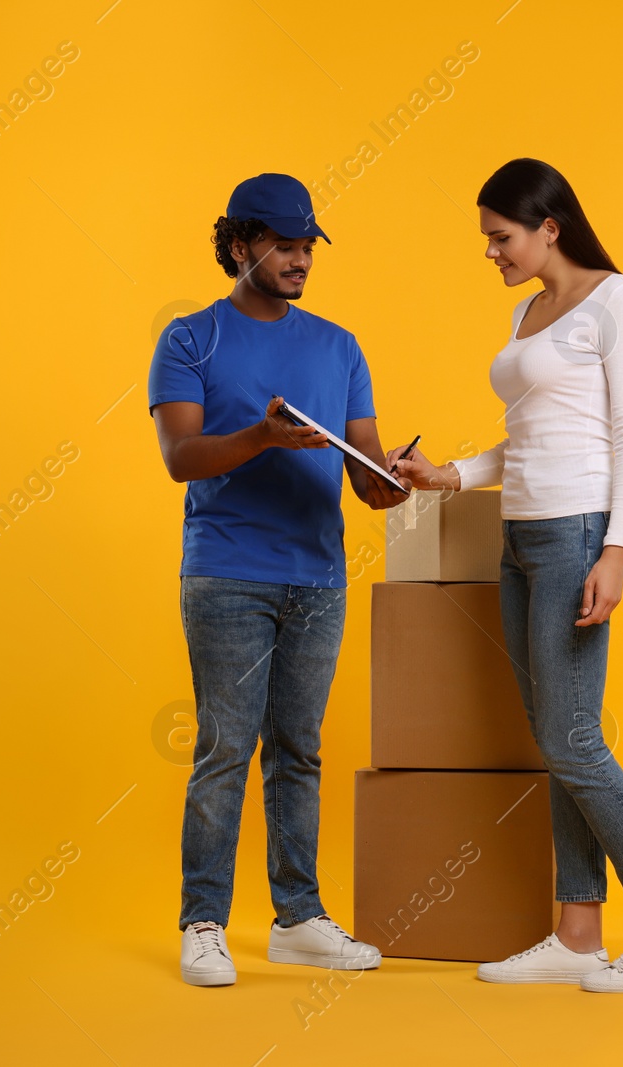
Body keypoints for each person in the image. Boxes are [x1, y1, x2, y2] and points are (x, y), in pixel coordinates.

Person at [388, 158, 623, 994]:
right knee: (554, 740)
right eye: (487, 239)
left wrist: (618, 549)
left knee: (572, 739)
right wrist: (448, 474)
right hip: (520, 538)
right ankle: (577, 932)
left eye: (501, 237)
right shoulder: (531, 312)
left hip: (575, 535)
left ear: (549, 227)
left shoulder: (617, 300)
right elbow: (523, 439)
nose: (491, 252)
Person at [149, 172, 409, 987]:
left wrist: (388, 480)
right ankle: (203, 922)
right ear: (240, 246)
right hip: (227, 573)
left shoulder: (338, 345)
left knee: (299, 749)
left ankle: (297, 917)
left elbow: (362, 472)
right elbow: (180, 458)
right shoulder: (190, 340)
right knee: (227, 747)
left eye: (307, 246)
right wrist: (260, 436)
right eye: (284, 245)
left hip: (317, 578)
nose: (299, 259)